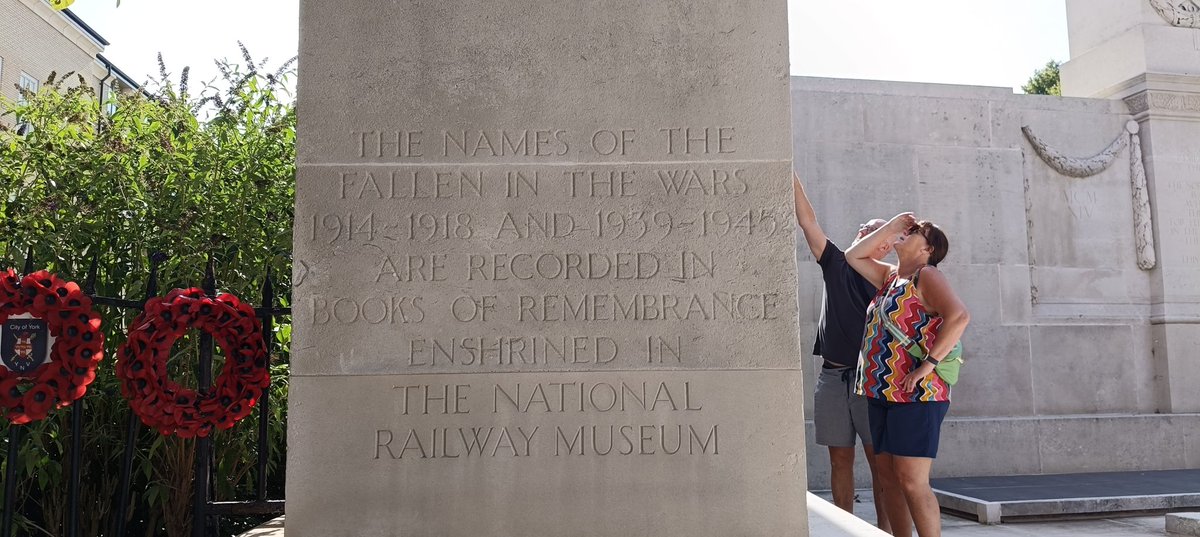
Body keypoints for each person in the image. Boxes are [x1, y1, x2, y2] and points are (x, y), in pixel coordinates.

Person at [845, 213, 970, 537]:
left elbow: (959, 316)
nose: (907, 233)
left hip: (918, 395)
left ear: (927, 249)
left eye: (915, 233)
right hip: (881, 391)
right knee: (888, 478)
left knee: (912, 480)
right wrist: (893, 226)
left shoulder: (926, 275)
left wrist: (927, 365)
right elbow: (853, 255)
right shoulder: (889, 277)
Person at [792, 173, 890, 531]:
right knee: (839, 461)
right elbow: (807, 220)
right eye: (865, 228)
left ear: (885, 246)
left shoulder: (887, 278)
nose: (867, 233)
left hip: (870, 382)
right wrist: (791, 174)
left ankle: (884, 531)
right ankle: (846, 529)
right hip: (832, 378)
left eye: (878, 233)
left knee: (881, 464)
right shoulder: (835, 261)